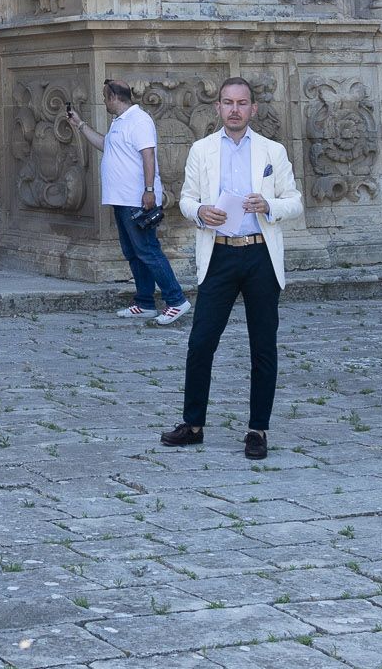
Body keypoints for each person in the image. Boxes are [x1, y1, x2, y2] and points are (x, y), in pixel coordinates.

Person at [161, 77, 303, 460]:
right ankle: (193, 424)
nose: (235, 109)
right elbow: (187, 200)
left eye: (242, 103)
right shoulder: (201, 150)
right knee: (201, 342)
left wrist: (269, 206)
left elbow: (295, 201)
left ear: (253, 109)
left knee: (263, 345)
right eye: (228, 102)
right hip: (219, 253)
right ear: (218, 108)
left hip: (260, 255)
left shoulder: (272, 151)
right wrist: (200, 212)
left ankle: (258, 429)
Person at [69, 83, 187, 325]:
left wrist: (149, 190)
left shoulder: (139, 120)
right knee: (133, 253)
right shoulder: (119, 122)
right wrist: (80, 125)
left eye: (104, 97)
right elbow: (106, 145)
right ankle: (144, 302)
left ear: (113, 97)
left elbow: (149, 155)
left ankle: (176, 300)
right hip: (121, 199)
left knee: (148, 250)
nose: (103, 102)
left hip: (136, 199)